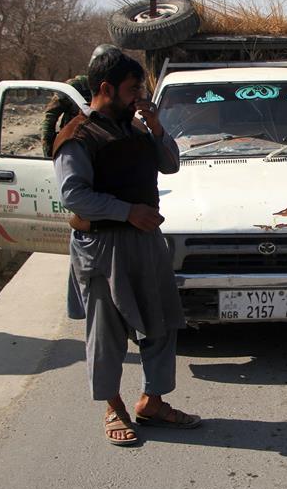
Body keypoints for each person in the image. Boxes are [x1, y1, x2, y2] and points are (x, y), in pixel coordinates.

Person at [52, 48, 200, 446]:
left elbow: (170, 165)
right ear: (106, 88)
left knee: (161, 322)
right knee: (107, 331)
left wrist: (156, 128)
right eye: (133, 89)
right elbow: (73, 196)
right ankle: (113, 406)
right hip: (102, 246)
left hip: (145, 243)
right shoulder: (77, 137)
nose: (140, 96)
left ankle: (152, 401)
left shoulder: (136, 128)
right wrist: (127, 212)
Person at [41, 44, 118, 157]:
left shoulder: (118, 91)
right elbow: (50, 116)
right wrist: (49, 152)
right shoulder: (75, 86)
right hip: (74, 148)